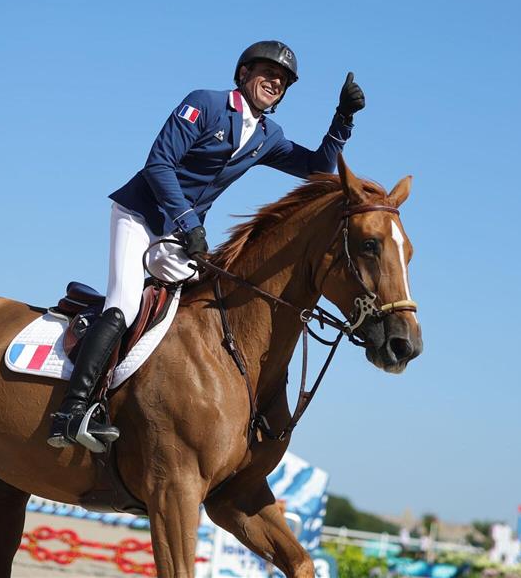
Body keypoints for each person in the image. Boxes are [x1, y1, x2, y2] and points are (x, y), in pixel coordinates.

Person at [47, 40, 365, 450]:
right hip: (141, 214)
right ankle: (72, 413)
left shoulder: (266, 135)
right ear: (244, 73)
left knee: (197, 308)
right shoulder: (205, 103)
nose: (276, 82)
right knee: (124, 303)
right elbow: (158, 164)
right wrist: (188, 221)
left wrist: (342, 120)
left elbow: (316, 168)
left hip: (181, 233)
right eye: (268, 73)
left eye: (284, 81)